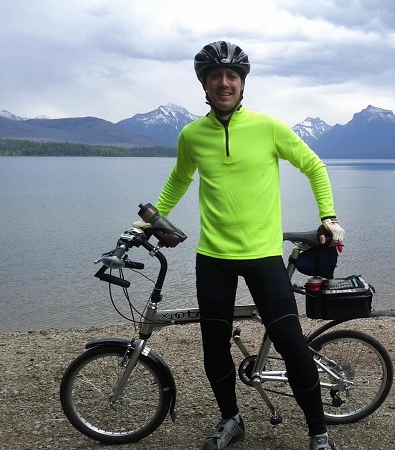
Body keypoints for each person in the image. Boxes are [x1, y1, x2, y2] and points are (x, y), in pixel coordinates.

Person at [146, 41, 344, 450]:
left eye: (232, 76)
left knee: (291, 344)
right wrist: (152, 218)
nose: (224, 83)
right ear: (204, 84)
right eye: (215, 76)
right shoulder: (191, 135)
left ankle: (318, 432)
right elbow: (180, 178)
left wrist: (328, 215)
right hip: (213, 258)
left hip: (263, 256)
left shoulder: (268, 128)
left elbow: (314, 165)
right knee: (214, 347)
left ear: (242, 83)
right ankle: (231, 419)